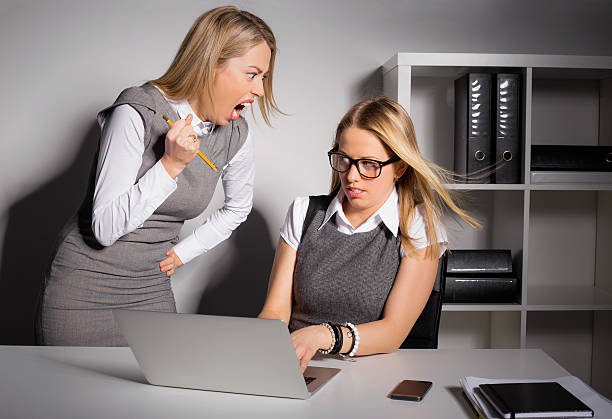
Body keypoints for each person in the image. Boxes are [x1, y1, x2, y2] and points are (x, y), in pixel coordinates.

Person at [37, 6, 280, 346]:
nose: (259, 90)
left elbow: (238, 208)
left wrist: (184, 252)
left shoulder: (236, 135)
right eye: (251, 74)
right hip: (84, 286)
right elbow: (104, 228)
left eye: (264, 78)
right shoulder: (136, 110)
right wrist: (171, 164)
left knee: (156, 393)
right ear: (211, 64)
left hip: (149, 286)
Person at [258, 96, 479, 372]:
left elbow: (393, 332)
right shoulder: (303, 212)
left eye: (369, 164)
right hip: (297, 366)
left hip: (371, 374)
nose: (352, 176)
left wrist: (322, 335)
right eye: (344, 160)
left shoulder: (418, 225)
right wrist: (263, 346)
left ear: (400, 167)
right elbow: (276, 311)